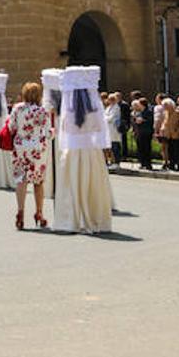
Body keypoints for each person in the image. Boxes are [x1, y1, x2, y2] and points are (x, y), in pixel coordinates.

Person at [52, 67, 114, 235]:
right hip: (91, 152)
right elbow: (98, 129)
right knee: (92, 184)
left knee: (72, 184)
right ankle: (94, 216)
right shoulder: (94, 112)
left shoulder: (69, 113)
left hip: (73, 152)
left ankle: (71, 217)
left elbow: (65, 130)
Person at [10, 81, 53, 230]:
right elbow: (48, 132)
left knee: (21, 180)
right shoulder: (42, 111)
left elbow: (11, 127)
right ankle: (39, 213)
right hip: (37, 149)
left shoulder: (17, 109)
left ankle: (20, 212)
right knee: (38, 182)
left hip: (21, 147)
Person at [132, 94, 154, 171]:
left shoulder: (148, 111)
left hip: (146, 132)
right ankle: (143, 163)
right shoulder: (139, 112)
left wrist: (142, 121)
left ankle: (148, 164)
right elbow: (135, 120)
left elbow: (150, 121)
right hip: (139, 132)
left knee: (147, 148)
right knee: (140, 148)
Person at [104, 93, 122, 165]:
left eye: (112, 99)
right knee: (110, 147)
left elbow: (111, 118)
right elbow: (104, 116)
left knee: (115, 147)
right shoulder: (108, 107)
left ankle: (116, 162)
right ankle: (111, 160)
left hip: (113, 130)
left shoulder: (116, 108)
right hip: (108, 129)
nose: (110, 101)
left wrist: (104, 119)